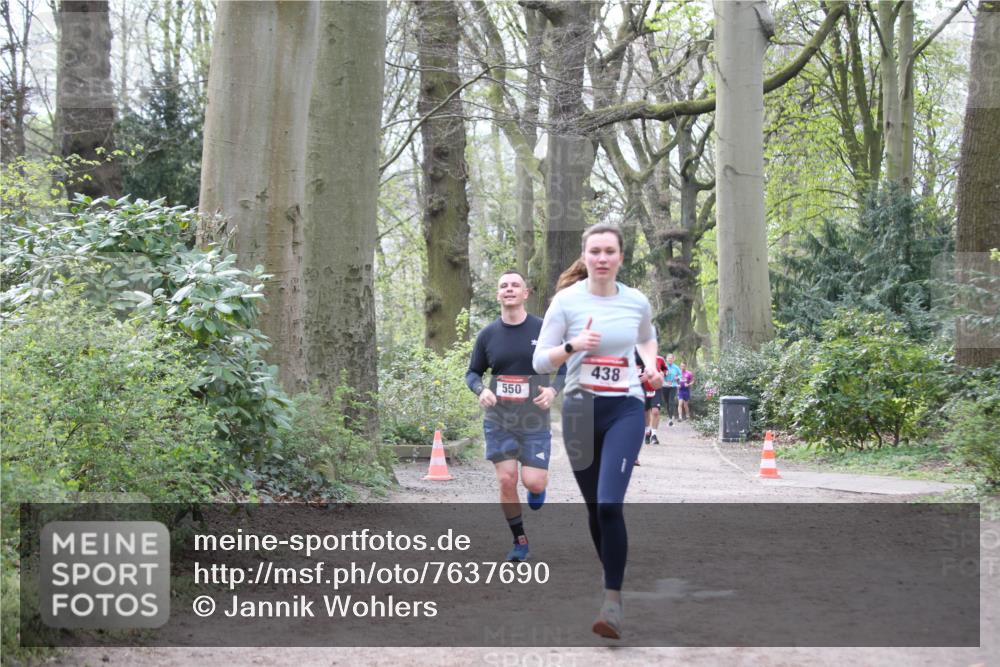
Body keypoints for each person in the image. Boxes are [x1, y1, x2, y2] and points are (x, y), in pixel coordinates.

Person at [532, 223, 663, 640]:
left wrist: (651, 367)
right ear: (585, 256)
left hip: (625, 407)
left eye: (610, 251)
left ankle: (612, 599)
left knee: (609, 505)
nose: (602, 258)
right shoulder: (566, 302)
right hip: (579, 411)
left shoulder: (636, 302)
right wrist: (573, 347)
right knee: (593, 508)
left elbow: (646, 339)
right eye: (595, 251)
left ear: (621, 257)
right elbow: (540, 361)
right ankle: (613, 578)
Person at [466, 270, 565, 563]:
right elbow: (472, 372)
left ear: (526, 293)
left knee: (533, 482)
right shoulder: (488, 335)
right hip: (499, 419)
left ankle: (538, 489)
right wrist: (480, 389)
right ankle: (519, 540)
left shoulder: (544, 330)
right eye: (503, 286)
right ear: (498, 294)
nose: (509, 289)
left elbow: (568, 367)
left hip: (534, 420)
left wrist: (554, 391)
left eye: (515, 285)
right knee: (507, 480)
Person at [638, 351, 668, 444]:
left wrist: (663, 374)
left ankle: (654, 435)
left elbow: (665, 370)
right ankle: (647, 432)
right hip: (643, 388)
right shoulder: (640, 359)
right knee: (645, 412)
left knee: (655, 411)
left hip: (656, 388)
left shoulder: (660, 359)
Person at [662, 353, 682, 426]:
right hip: (665, 385)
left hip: (673, 386)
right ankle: (670, 415)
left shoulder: (676, 367)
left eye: (671, 358)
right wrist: (663, 375)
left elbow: (680, 375)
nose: (670, 359)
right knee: (667, 402)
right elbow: (660, 374)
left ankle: (671, 419)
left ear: (673, 359)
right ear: (666, 359)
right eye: (668, 358)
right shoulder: (663, 366)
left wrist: (677, 377)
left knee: (671, 401)